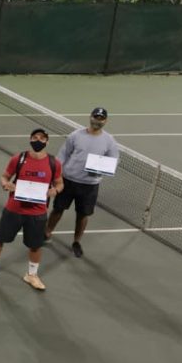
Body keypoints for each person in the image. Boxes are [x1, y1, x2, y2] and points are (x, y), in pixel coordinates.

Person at [0, 128, 64, 291]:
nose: (38, 140)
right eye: (35, 137)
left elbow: (60, 183)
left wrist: (55, 190)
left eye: (42, 138)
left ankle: (31, 275)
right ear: (30, 139)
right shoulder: (18, 159)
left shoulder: (53, 162)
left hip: (38, 212)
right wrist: (6, 184)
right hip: (14, 209)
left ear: (47, 142)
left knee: (35, 245)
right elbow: (4, 176)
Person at [46, 107, 119, 258]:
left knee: (83, 215)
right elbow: (62, 155)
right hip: (68, 180)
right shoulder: (76, 135)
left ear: (105, 121)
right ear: (90, 117)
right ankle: (46, 233)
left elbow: (114, 161)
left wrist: (100, 169)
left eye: (101, 118)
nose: (98, 120)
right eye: (96, 117)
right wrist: (55, 175)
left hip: (90, 185)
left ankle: (76, 242)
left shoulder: (109, 141)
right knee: (58, 209)